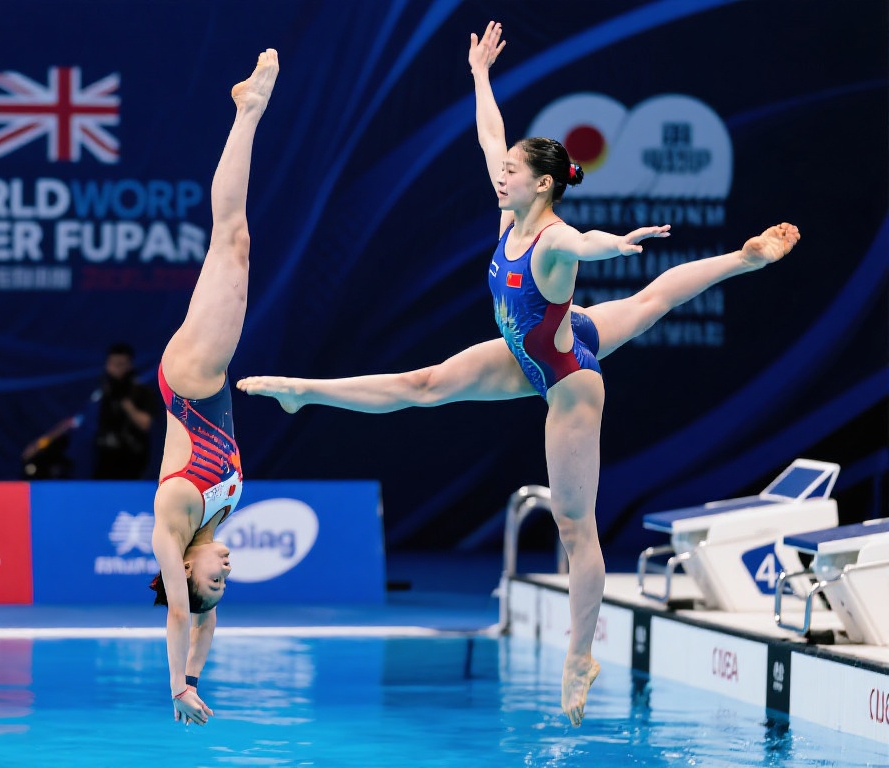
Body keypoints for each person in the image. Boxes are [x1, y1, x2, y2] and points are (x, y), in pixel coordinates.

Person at [237, 22, 801, 728]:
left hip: (567, 377)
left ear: (542, 184)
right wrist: (479, 75)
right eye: (501, 169)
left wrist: (616, 243)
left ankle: (579, 655)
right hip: (531, 347)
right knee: (425, 384)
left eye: (511, 170)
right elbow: (488, 136)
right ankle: (302, 393)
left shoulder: (554, 238)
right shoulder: (511, 213)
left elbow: (584, 242)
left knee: (575, 526)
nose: (499, 173)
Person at [148, 48, 279, 728]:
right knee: (235, 243)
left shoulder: (174, 522)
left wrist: (177, 688)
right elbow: (203, 620)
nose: (227, 570)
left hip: (191, 384)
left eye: (215, 578)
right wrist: (199, 676)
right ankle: (247, 112)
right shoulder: (209, 527)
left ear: (186, 570)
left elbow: (181, 612)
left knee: (230, 239)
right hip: (204, 382)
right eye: (223, 582)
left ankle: (247, 110)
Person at [21, 342, 156, 480]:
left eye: (121, 364)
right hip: (101, 459)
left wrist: (124, 401)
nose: (116, 369)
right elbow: (73, 421)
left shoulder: (142, 392)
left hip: (132, 460)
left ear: (130, 365)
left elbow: (145, 424)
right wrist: (41, 443)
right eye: (113, 364)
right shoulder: (99, 393)